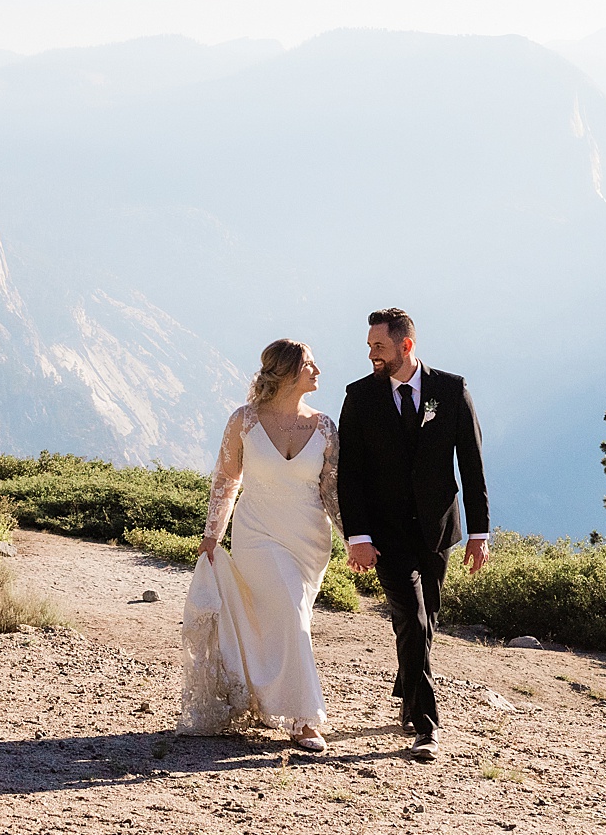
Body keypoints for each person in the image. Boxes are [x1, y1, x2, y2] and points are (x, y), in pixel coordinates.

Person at [335, 307, 490, 763]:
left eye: (378, 346)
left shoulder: (451, 389)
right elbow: (351, 475)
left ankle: (407, 679)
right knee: (413, 616)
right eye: (369, 346)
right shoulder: (359, 397)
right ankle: (425, 726)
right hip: (385, 535)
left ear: (406, 346)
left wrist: (480, 531)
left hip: (439, 528)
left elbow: (473, 465)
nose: (371, 355)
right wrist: (356, 535)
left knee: (428, 617)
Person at [177, 339, 341, 750]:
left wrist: (356, 540)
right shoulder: (244, 421)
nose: (318, 371)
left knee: (285, 617)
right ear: (286, 372)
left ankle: (264, 699)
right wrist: (211, 535)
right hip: (257, 534)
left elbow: (333, 493)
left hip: (309, 541)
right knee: (289, 612)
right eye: (309, 364)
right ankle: (305, 719)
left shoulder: (324, 427)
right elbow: (226, 479)